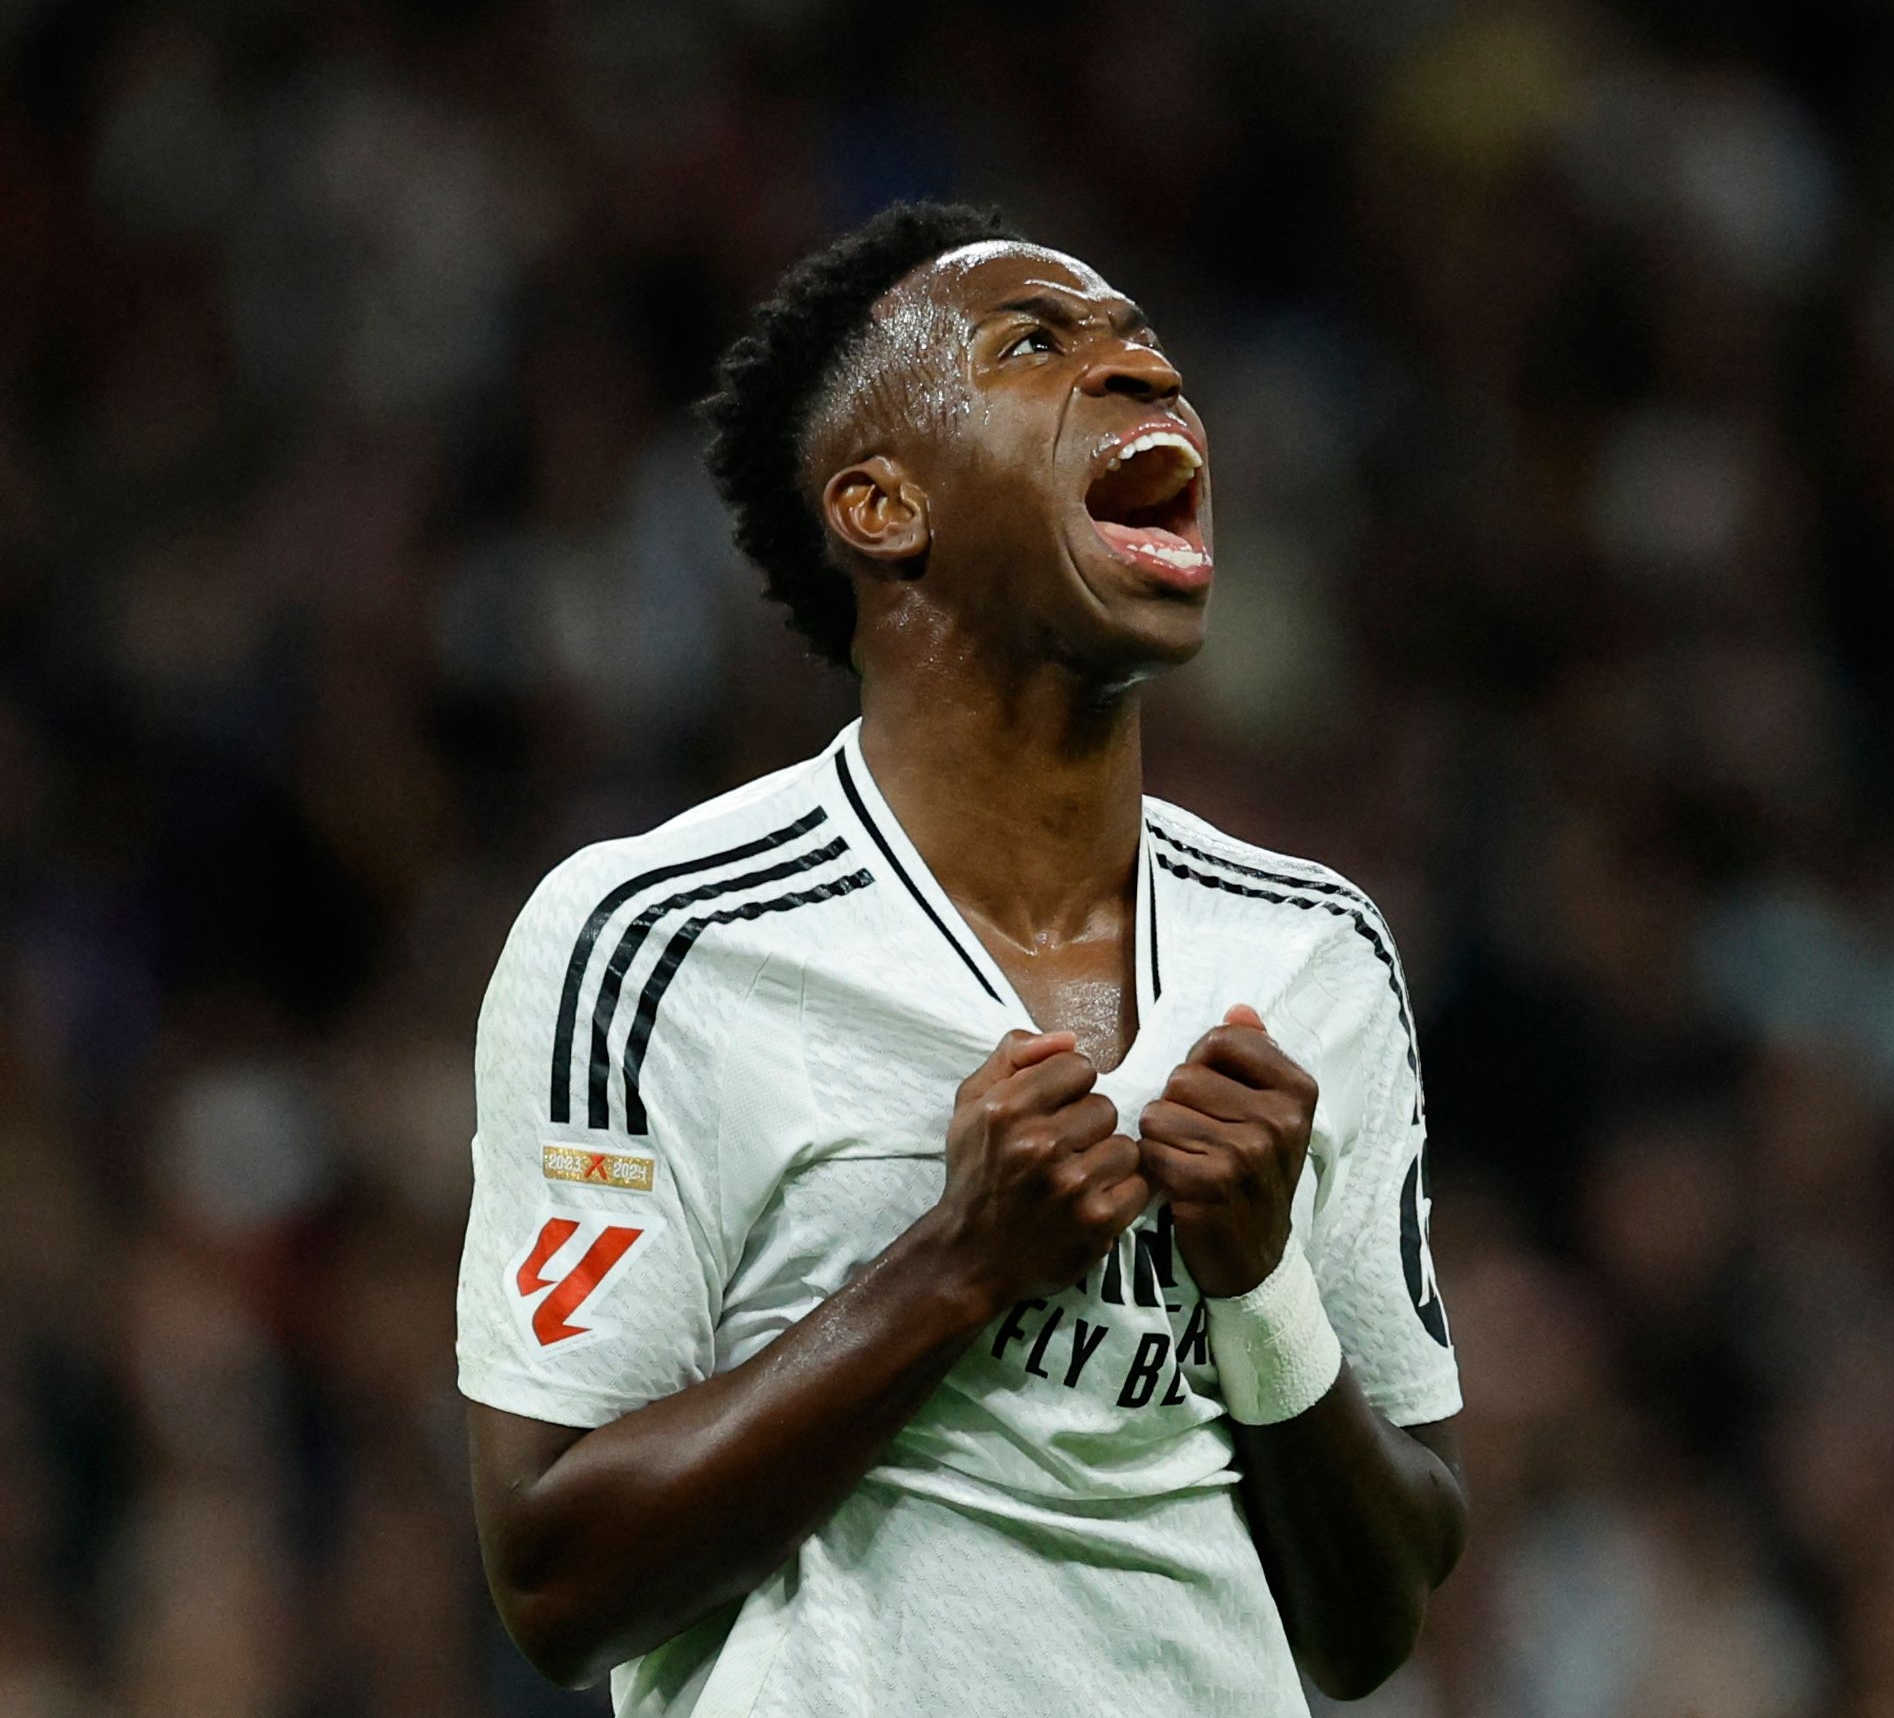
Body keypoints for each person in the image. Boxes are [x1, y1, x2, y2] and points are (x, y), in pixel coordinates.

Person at [454, 202, 1465, 1716]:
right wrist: (957, 1263)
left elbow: (1369, 1619)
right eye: (1038, 345)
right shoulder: (654, 939)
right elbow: (554, 1577)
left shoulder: (1315, 950)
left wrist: (1260, 1287)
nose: (1141, 375)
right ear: (879, 506)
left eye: (1147, 345)